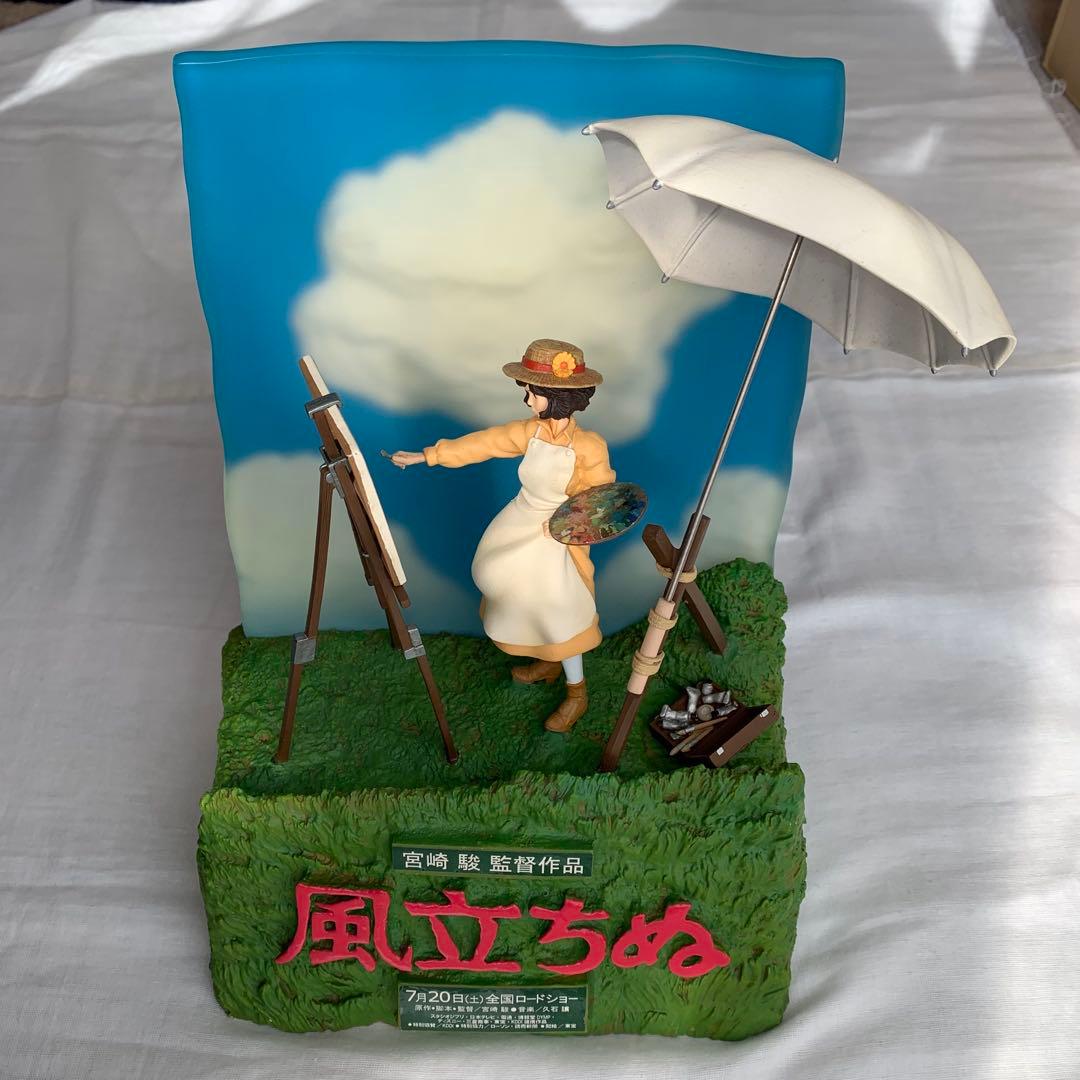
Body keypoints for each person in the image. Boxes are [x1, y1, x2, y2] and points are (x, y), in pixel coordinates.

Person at [391, 338, 614, 733]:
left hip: (557, 535)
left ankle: (577, 692)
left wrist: (565, 526)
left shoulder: (588, 446)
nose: (527, 400)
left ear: (556, 396)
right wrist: (428, 456)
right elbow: (486, 443)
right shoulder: (530, 432)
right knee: (506, 585)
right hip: (520, 519)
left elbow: (601, 500)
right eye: (526, 391)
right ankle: (547, 660)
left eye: (533, 392)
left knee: (559, 608)